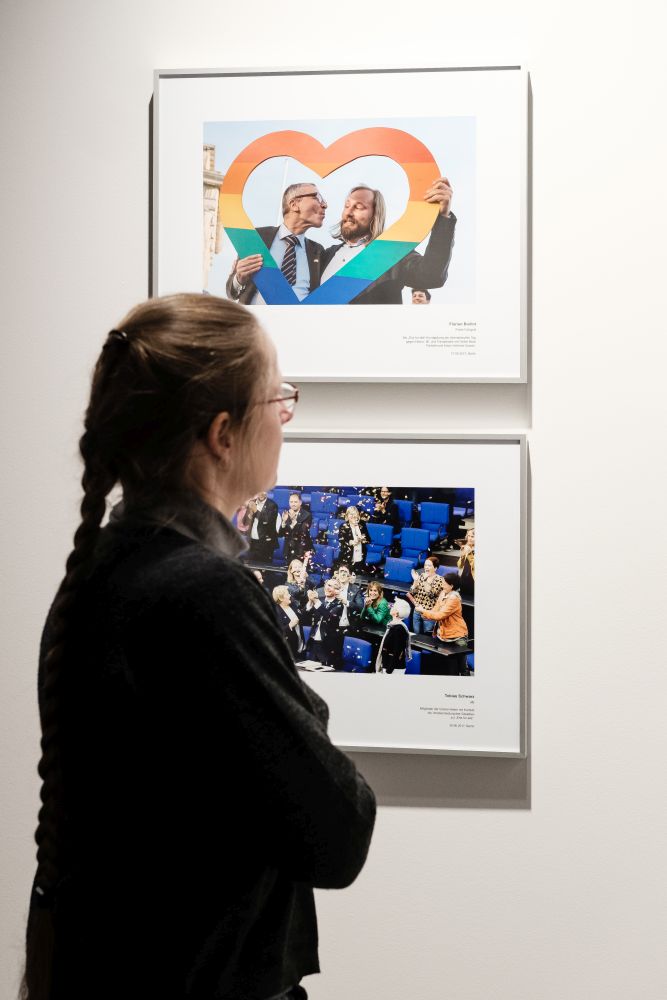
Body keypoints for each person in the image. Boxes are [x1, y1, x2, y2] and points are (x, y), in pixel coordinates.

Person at [21, 293, 375, 1000]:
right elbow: (338, 831)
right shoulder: (201, 593)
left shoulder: (103, 568)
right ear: (221, 433)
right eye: (278, 396)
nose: (286, 415)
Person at [320, 180, 456, 304]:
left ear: (375, 215)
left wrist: (443, 217)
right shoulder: (323, 256)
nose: (348, 212)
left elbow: (431, 275)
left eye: (359, 207)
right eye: (347, 206)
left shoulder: (390, 253)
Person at [226, 182, 327, 304]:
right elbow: (231, 292)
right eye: (317, 197)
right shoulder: (257, 237)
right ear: (294, 204)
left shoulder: (318, 251)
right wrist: (239, 278)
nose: (325, 205)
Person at [417, 572, 470, 675]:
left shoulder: (454, 598)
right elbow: (436, 610)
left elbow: (440, 615)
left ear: (451, 586)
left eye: (444, 583)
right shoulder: (443, 593)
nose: (442, 585)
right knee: (449, 667)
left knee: (462, 668)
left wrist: (424, 611)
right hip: (443, 636)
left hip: (457, 637)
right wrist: (425, 613)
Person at [303, 578, 345, 670]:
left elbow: (329, 617)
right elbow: (304, 616)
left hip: (328, 645)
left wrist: (316, 601)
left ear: (338, 590)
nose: (329, 588)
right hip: (314, 642)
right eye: (328, 585)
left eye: (334, 587)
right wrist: (310, 601)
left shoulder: (339, 604)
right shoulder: (320, 600)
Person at [408, 556, 444, 634]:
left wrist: (424, 580)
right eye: (425, 565)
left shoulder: (440, 579)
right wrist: (415, 581)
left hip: (429, 613)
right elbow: (412, 592)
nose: (426, 567)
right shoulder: (420, 576)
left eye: (429, 565)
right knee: (416, 635)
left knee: (427, 637)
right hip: (417, 611)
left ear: (435, 568)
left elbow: (431, 595)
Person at [375, 599, 413, 674]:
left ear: (396, 613)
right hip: (388, 666)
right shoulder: (392, 625)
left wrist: (388, 671)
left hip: (394, 669)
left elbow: (398, 652)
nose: (390, 607)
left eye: (393, 606)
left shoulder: (399, 629)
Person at [278, 491, 313, 564]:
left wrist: (294, 521)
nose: (293, 504)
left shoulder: (307, 515)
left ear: (300, 502)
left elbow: (302, 533)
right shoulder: (286, 514)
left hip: (301, 550)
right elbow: (281, 534)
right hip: (288, 550)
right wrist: (283, 522)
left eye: (295, 502)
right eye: (291, 502)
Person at [246, 490, 279, 563]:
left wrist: (255, 511)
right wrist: (250, 515)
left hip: (265, 544)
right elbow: (244, 522)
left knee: (264, 569)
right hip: (251, 543)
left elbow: (267, 521)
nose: (261, 493)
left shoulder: (272, 505)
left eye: (263, 491)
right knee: (251, 568)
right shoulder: (252, 503)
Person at [272, 585, 305, 659]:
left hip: (300, 645)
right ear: (280, 598)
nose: (290, 595)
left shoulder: (293, 605)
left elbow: (302, 618)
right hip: (287, 649)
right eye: (287, 594)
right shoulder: (275, 611)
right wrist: (290, 626)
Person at [336, 505, 370, 572]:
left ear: (358, 516)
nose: (353, 516)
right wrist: (351, 542)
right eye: (350, 514)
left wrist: (364, 540)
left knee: (358, 574)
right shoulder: (343, 526)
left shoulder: (362, 524)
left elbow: (368, 539)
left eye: (355, 514)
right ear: (347, 516)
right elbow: (341, 540)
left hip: (361, 554)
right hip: (347, 555)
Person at [457, 527, 475, 597]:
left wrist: (470, 554)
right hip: (464, 578)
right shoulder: (467, 547)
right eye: (468, 536)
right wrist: (462, 555)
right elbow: (460, 566)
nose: (469, 538)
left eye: (472, 536)